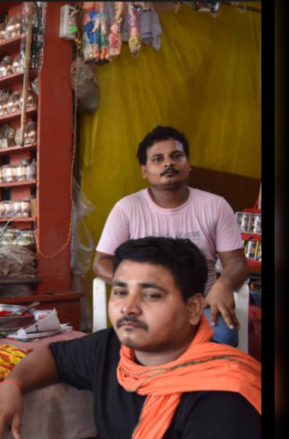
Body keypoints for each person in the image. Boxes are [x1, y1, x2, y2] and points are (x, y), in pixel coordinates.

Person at [0, 237, 261, 439]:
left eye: (151, 295)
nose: (128, 307)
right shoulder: (114, 348)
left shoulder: (224, 397)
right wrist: (12, 384)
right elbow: (54, 357)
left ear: (193, 308)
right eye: (120, 292)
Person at [92, 126, 248, 346]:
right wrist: (140, 289)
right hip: (147, 306)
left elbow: (236, 264)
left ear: (188, 163)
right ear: (144, 170)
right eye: (158, 158)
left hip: (200, 305)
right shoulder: (127, 208)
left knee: (222, 336)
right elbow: (101, 263)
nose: (168, 163)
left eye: (176, 156)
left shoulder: (215, 205)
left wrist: (224, 285)